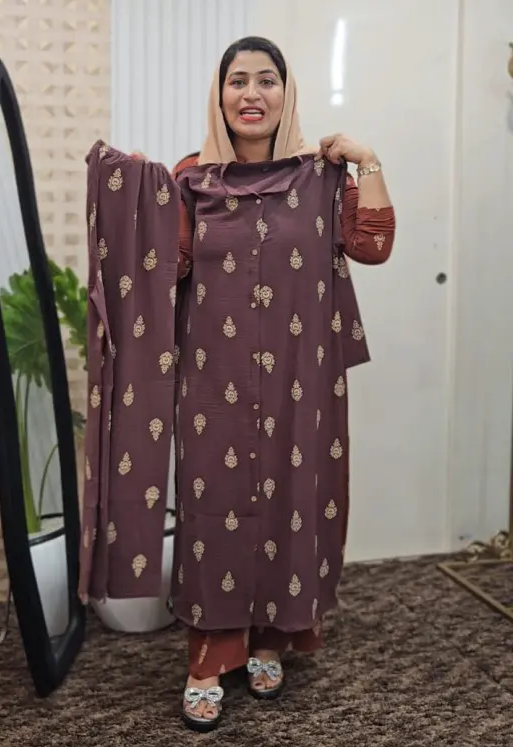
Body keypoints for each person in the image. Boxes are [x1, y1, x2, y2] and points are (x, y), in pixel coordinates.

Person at [81, 35, 395, 733]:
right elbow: (165, 270)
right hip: (211, 384)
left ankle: (270, 641)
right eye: (237, 81)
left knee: (291, 502)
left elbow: (373, 244)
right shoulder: (192, 181)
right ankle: (209, 658)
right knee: (214, 512)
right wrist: (139, 200)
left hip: (299, 381)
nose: (251, 94)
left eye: (266, 80)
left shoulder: (320, 178)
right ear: (219, 95)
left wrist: (365, 158)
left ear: (286, 93)